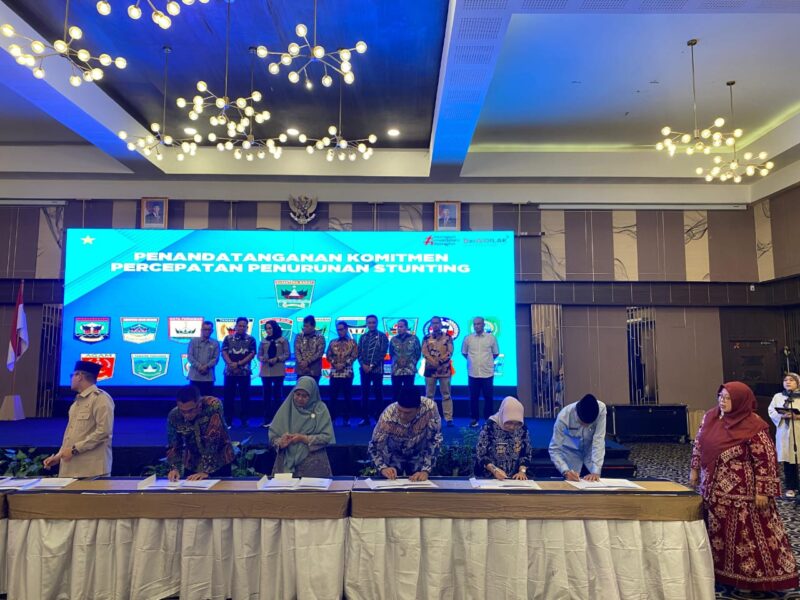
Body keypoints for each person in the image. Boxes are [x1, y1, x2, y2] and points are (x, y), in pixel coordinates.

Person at [690, 382, 798, 592]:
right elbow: (699, 444)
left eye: (727, 398)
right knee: (718, 535)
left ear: (740, 400)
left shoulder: (753, 425)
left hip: (745, 497)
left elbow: (766, 459)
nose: (722, 401)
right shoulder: (711, 417)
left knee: (746, 538)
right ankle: (722, 576)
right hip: (713, 492)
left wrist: (763, 491)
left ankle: (754, 580)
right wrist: (694, 469)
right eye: (720, 396)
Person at [43, 360, 114, 478]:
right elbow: (71, 435)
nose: (71, 379)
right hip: (71, 470)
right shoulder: (76, 403)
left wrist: (74, 450)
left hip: (91, 471)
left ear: (79, 376)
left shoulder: (101, 399)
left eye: (72, 375)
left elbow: (103, 432)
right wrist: (59, 456)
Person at [368, 384, 443, 480]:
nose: (402, 416)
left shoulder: (430, 409)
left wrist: (426, 470)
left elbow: (434, 440)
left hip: (419, 453)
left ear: (418, 409)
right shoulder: (388, 416)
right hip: (393, 455)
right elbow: (374, 446)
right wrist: (383, 468)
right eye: (400, 410)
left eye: (407, 413)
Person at [268, 376, 335, 477]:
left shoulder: (320, 409)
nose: (300, 399)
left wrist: (304, 438)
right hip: (286, 463)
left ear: (312, 395)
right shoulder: (286, 409)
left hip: (313, 464)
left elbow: (327, 437)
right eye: (297, 394)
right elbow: (273, 436)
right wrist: (280, 442)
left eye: (304, 396)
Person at [166, 385, 234, 481]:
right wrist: (174, 468)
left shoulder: (213, 406)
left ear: (199, 404)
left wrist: (206, 471)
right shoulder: (174, 415)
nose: (187, 415)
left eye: (191, 410)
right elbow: (174, 445)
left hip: (219, 460)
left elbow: (213, 438)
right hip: (192, 462)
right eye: (183, 411)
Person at [548, 394, 606, 481]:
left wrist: (596, 471)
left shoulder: (601, 409)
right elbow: (554, 449)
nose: (585, 426)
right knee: (572, 482)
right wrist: (565, 471)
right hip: (570, 452)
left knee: (595, 482)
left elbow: (599, 439)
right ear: (576, 411)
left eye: (589, 425)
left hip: (590, 452)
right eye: (582, 423)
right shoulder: (564, 416)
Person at [474, 396, 533, 480]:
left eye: (516, 424)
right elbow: (481, 454)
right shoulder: (489, 426)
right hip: (490, 477)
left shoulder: (522, 428)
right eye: (509, 422)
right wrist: (494, 470)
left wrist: (522, 471)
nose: (512, 427)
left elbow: (526, 453)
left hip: (515, 478)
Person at [462, 316, 499, 427]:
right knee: (473, 397)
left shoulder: (491, 338)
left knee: (488, 397)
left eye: (478, 324)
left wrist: (486, 362)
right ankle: (474, 419)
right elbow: (464, 353)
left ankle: (488, 419)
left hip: (487, 373)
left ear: (483, 325)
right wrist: (473, 361)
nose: (476, 326)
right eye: (475, 324)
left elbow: (496, 353)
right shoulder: (468, 338)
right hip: (473, 373)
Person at [768, 372, 800, 498]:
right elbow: (771, 410)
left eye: (791, 380)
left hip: (798, 430)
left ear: (797, 383)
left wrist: (797, 416)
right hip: (785, 432)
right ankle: (791, 486)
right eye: (786, 380)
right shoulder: (778, 396)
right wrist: (781, 415)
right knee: (788, 459)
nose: (788, 382)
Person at [221, 316, 257, 426]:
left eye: (244, 326)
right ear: (236, 326)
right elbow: (224, 352)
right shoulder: (228, 338)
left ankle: (244, 419)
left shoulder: (251, 339)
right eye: (239, 325)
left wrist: (238, 364)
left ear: (247, 327)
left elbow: (252, 354)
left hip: (244, 372)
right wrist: (231, 364)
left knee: (245, 397)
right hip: (229, 372)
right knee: (228, 396)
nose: (241, 328)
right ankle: (228, 418)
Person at [422, 316, 454, 426]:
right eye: (433, 323)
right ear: (431, 325)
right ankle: (429, 418)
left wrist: (440, 361)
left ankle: (448, 418)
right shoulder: (426, 337)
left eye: (437, 323)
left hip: (444, 370)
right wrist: (433, 362)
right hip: (430, 370)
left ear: (441, 324)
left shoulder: (448, 337)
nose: (435, 325)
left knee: (446, 395)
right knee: (429, 395)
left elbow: (450, 352)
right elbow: (424, 353)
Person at [258, 320, 290, 427]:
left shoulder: (283, 340)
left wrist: (277, 359)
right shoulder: (263, 341)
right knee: (266, 396)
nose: (268, 330)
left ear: (275, 328)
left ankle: (278, 420)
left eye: (270, 328)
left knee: (277, 396)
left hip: (278, 371)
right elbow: (259, 355)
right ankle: (267, 419)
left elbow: (287, 354)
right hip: (266, 371)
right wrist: (262, 358)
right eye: (266, 328)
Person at [358, 314, 388, 426]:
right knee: (364, 394)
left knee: (378, 394)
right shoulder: (363, 337)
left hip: (377, 370)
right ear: (366, 324)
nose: (371, 325)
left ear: (377, 323)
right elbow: (358, 353)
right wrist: (363, 365)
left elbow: (382, 353)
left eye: (373, 322)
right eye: (369, 323)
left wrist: (371, 366)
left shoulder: (382, 336)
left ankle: (379, 418)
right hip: (364, 370)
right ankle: (365, 418)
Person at [326, 321, 359, 425]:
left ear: (346, 329)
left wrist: (343, 364)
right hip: (334, 373)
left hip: (347, 373)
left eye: (341, 329)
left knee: (347, 396)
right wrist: (335, 363)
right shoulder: (332, 342)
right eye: (338, 330)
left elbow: (354, 355)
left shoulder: (352, 342)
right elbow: (328, 355)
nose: (339, 331)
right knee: (333, 396)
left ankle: (346, 418)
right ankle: (332, 418)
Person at [388, 319, 421, 398]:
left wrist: (411, 362)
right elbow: (391, 353)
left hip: (409, 370)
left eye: (401, 327)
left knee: (409, 393)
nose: (399, 328)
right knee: (396, 393)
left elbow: (418, 353)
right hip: (396, 371)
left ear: (406, 327)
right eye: (398, 327)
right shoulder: (393, 340)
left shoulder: (414, 339)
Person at [186, 320, 219, 397]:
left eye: (209, 330)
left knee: (208, 400)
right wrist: (199, 366)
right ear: (201, 330)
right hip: (194, 376)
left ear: (212, 331)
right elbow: (190, 356)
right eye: (205, 329)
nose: (207, 331)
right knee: (194, 399)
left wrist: (206, 367)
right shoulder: (193, 341)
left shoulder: (215, 343)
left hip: (209, 377)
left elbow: (216, 358)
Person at [294, 315, 325, 382]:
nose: (304, 328)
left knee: (313, 388)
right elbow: (297, 351)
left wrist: (307, 362)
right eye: (304, 326)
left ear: (313, 326)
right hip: (301, 370)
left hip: (314, 370)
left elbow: (319, 353)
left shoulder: (320, 337)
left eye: (307, 326)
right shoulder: (299, 336)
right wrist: (302, 363)